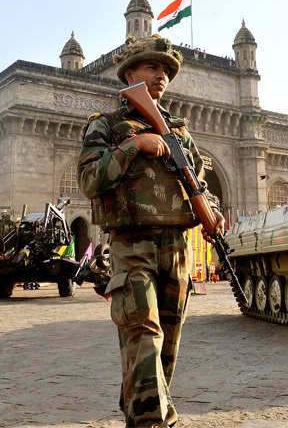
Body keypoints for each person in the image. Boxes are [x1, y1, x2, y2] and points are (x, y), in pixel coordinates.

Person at [77, 34, 224, 427]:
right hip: (132, 246)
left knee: (163, 355)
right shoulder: (106, 126)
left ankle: (139, 414)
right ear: (130, 75)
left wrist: (211, 212)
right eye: (152, 67)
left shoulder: (181, 135)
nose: (162, 76)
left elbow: (200, 183)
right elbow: (90, 180)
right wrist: (134, 145)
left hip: (177, 249)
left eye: (167, 71)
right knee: (143, 335)